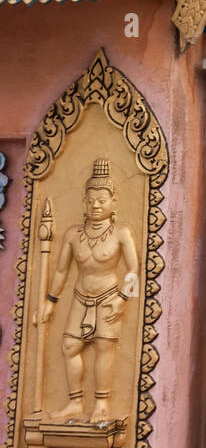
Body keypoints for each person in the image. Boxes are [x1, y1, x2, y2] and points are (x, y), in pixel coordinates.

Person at [42, 160, 138, 424]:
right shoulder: (73, 234)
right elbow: (61, 270)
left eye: (101, 200)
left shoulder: (121, 233)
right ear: (84, 203)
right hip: (79, 298)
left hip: (109, 298)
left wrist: (122, 298)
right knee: (69, 346)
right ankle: (74, 402)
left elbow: (134, 268)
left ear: (113, 203)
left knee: (104, 348)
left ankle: (102, 404)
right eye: (91, 201)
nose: (96, 206)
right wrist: (51, 301)